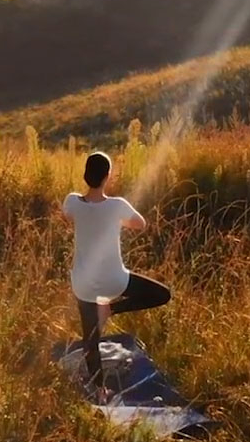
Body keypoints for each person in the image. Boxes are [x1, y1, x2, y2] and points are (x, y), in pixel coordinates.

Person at [61, 151, 170, 393]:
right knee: (162, 294)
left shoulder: (72, 202)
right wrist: (116, 220)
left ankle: (99, 389)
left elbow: (66, 216)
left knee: (91, 338)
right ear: (108, 176)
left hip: (84, 285)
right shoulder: (118, 205)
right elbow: (140, 224)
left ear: (85, 175)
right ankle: (111, 308)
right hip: (115, 282)